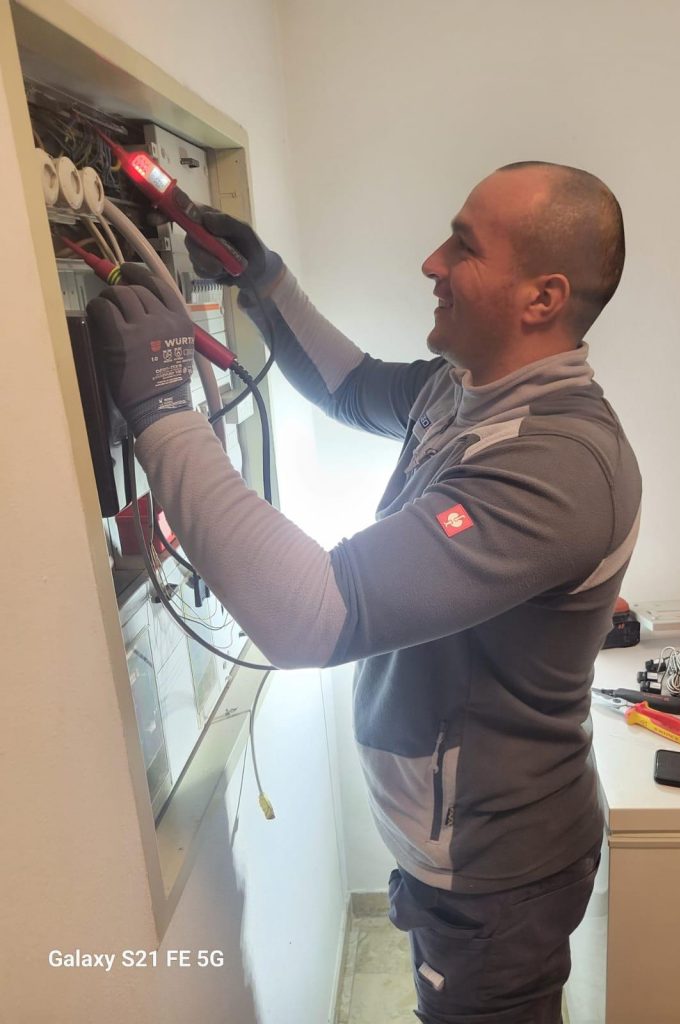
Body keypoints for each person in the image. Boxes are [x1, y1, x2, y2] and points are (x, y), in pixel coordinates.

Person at [88, 160, 641, 1024]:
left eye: (463, 246)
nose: (431, 263)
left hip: (499, 875)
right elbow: (350, 387)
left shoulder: (561, 468)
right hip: (456, 852)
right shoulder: (464, 392)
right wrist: (266, 283)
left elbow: (312, 616)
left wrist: (164, 410)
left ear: (543, 298)